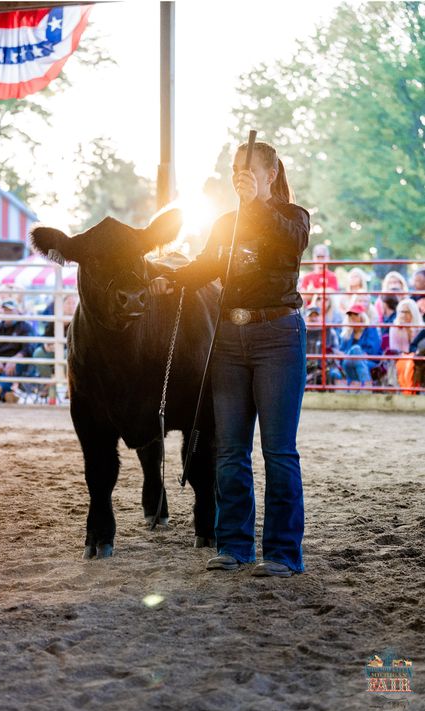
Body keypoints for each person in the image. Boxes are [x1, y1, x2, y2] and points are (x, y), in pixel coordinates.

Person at [150, 141, 309, 577]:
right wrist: (167, 277)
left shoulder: (293, 218)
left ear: (270, 173)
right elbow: (205, 268)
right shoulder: (225, 224)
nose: (239, 175)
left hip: (277, 334)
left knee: (278, 451)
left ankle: (281, 553)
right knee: (229, 449)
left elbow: (290, 246)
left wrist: (257, 202)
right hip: (229, 339)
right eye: (235, 168)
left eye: (248, 169)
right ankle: (234, 545)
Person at [0, 299, 35, 403]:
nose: (8, 314)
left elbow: (28, 348)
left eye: (11, 311)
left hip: (17, 363)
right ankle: (4, 394)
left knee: (16, 366)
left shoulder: (25, 327)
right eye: (5, 311)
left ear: (18, 313)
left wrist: (14, 360)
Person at [339, 303, 382, 387]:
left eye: (356, 314)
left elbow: (373, 351)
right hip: (348, 362)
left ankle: (357, 388)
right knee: (355, 351)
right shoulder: (346, 334)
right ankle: (367, 387)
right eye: (350, 315)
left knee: (357, 352)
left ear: (362, 316)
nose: (353, 317)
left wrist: (358, 355)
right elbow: (341, 352)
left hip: (368, 362)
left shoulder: (371, 330)